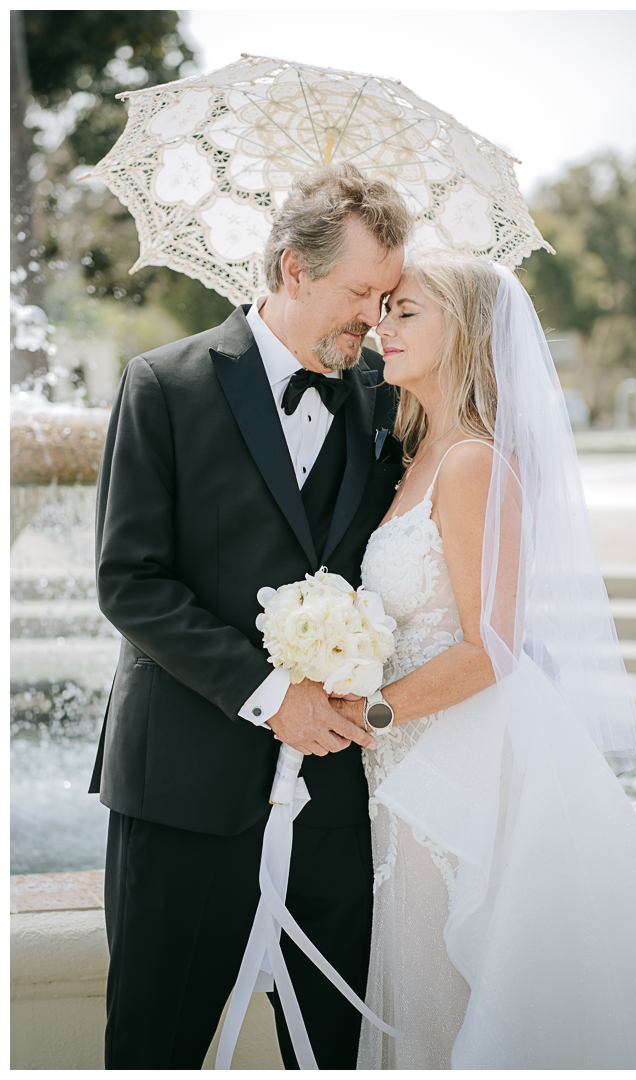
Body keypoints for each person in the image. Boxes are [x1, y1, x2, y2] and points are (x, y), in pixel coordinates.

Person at [330, 252, 636, 1069]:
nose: (381, 327)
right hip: (406, 758)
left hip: (457, 755)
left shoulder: (470, 462)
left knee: (449, 994)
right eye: (383, 310)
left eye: (406, 312)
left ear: (463, 332)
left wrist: (373, 710)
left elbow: (492, 645)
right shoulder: (414, 456)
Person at [90, 162, 413, 1069]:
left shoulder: (390, 403)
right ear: (292, 270)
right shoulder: (164, 384)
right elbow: (130, 581)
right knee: (156, 1047)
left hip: (337, 806)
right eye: (360, 292)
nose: (375, 319)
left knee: (339, 1054)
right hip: (185, 791)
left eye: (389, 297)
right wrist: (273, 693)